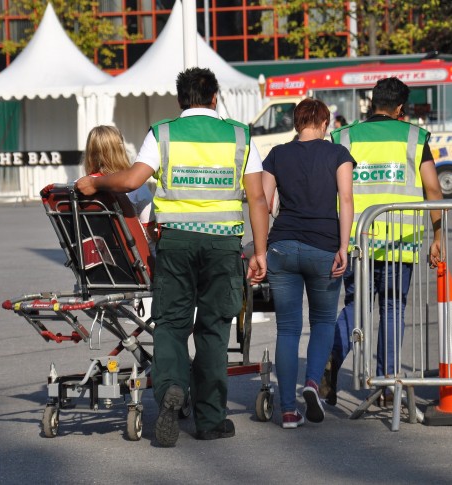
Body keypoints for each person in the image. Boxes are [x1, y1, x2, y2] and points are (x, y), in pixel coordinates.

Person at [75, 67, 269, 446]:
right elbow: (258, 198)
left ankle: (170, 394)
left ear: (181, 100)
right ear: (215, 97)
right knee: (213, 330)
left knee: (171, 325)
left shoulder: (162, 133)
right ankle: (211, 420)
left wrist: (97, 181)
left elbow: (131, 181)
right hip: (222, 247)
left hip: (175, 243)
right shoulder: (240, 135)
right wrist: (259, 252)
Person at [324, 77, 443, 406]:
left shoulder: (344, 136)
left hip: (355, 240)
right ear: (401, 108)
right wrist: (437, 234)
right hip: (398, 241)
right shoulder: (414, 137)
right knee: (392, 309)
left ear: (372, 103)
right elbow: (433, 188)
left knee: (354, 307)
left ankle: (329, 360)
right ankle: (387, 386)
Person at [261, 98, 355, 429]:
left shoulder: (276, 154)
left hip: (283, 246)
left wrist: (273, 225)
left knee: (287, 328)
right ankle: (313, 382)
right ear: (325, 123)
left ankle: (287, 410)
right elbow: (345, 199)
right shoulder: (337, 154)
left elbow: (264, 199)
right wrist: (344, 246)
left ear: (296, 122)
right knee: (323, 322)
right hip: (323, 247)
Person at [82, 125, 157, 253]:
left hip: (95, 258)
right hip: (135, 261)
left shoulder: (78, 188)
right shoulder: (136, 188)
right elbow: (152, 235)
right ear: (120, 150)